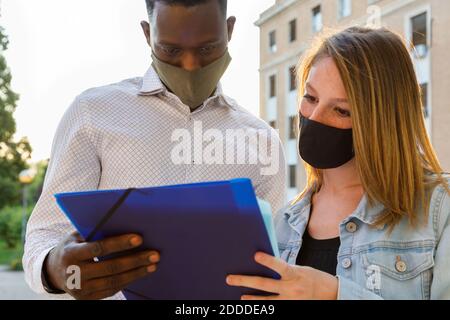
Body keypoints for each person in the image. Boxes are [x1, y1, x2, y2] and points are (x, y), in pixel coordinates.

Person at [23, 0, 286, 300]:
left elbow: (279, 258)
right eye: (171, 50)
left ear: (229, 31)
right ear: (148, 35)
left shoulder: (261, 140)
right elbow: (44, 234)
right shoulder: (92, 115)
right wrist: (55, 269)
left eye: (207, 49)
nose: (190, 66)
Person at [227, 27, 450, 300]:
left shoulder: (440, 209)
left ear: (381, 123)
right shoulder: (281, 224)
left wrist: (334, 295)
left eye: (341, 110)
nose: (314, 117)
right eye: (310, 98)